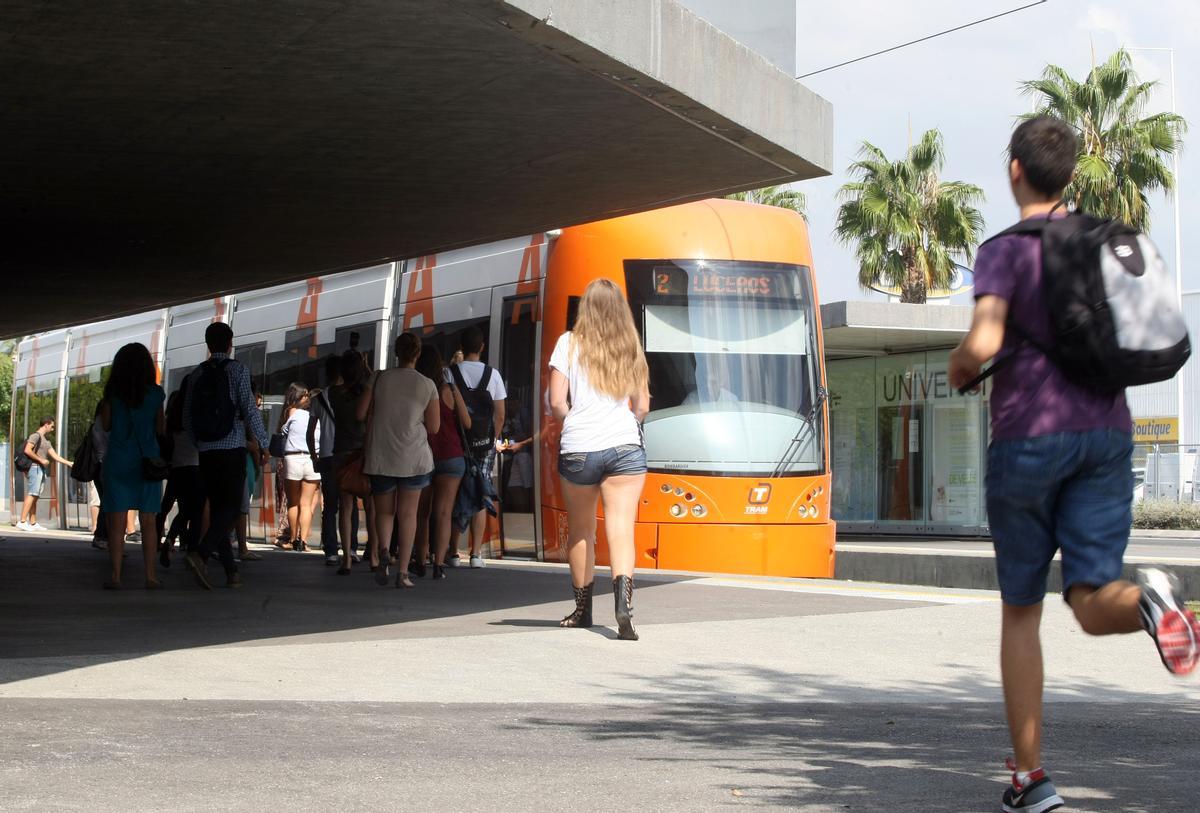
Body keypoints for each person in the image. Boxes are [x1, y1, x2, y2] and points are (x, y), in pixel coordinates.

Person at [948, 116, 1200, 813]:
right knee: (1092, 600)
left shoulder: (1004, 250)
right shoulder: (1099, 239)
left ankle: (1032, 779)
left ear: (1015, 171)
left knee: (1022, 611)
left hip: (1029, 438)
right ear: (1072, 177)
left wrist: (960, 366)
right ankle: (1151, 600)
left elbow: (984, 338)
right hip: (1107, 435)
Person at [549, 278, 650, 641]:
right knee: (621, 528)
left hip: (579, 448)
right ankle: (623, 608)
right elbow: (642, 406)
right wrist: (621, 423)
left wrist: (576, 421)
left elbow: (556, 401)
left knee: (581, 530)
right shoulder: (630, 346)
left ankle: (582, 609)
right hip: (624, 446)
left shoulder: (568, 343)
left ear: (585, 309)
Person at [182, 321, 269, 590]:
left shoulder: (196, 375)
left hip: (206, 451)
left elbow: (187, 415)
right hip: (232, 448)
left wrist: (198, 442)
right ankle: (201, 553)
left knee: (220, 508)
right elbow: (249, 409)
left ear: (207, 345)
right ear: (230, 343)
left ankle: (232, 573)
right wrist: (264, 442)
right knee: (231, 509)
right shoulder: (238, 371)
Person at [358, 332, 439, 589]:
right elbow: (435, 427)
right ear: (417, 353)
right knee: (408, 514)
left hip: (381, 455)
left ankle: (383, 550)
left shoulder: (379, 378)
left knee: (384, 511)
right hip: (413, 457)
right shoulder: (427, 384)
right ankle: (403, 573)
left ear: (396, 352)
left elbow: (360, 413)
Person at [97, 342, 166, 590]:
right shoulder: (157, 394)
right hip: (148, 461)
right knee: (149, 521)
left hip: (119, 460)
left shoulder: (112, 395)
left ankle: (116, 576)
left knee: (116, 521)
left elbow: (106, 425)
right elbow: (160, 428)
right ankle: (150, 576)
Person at [447, 325, 506, 568]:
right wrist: (491, 439)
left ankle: (452, 552)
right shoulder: (493, 375)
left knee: (454, 494)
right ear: (482, 347)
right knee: (480, 493)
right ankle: (476, 554)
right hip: (484, 446)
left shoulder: (449, 374)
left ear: (461, 346)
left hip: (457, 442)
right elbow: (500, 414)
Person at [413, 345, 471, 580]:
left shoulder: (417, 389)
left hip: (424, 454)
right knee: (444, 513)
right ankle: (438, 564)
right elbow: (467, 423)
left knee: (421, 513)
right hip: (452, 456)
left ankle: (419, 561)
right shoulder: (449, 389)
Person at [328, 348, 370, 574]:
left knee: (345, 507)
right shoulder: (367, 391)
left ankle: (346, 560)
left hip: (341, 453)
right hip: (364, 454)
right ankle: (373, 557)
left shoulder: (334, 393)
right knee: (371, 505)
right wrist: (367, 369)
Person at [156, 383, 204, 568]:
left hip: (177, 470)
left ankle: (168, 540)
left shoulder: (173, 418)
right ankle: (192, 550)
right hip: (195, 468)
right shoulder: (194, 416)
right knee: (194, 512)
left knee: (181, 509)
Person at [277, 382, 321, 552]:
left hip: (293, 459)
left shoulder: (293, 414)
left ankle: (294, 539)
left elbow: (284, 432)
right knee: (306, 503)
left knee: (293, 503)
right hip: (311, 459)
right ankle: (304, 541)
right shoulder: (317, 418)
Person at [16, 417, 72, 532]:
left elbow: (55, 456)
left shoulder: (46, 441)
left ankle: (33, 523)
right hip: (35, 468)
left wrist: (69, 463)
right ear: (46, 424)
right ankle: (22, 521)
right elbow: (27, 450)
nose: (52, 429)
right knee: (32, 494)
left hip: (40, 469)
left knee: (35, 496)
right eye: (52, 426)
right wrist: (41, 460)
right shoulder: (35, 436)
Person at [311, 356, 342, 565]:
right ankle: (351, 547)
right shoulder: (351, 396)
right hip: (347, 455)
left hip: (327, 456)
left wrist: (314, 456)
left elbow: (309, 431)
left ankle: (330, 549)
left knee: (330, 505)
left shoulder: (318, 399)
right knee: (348, 503)